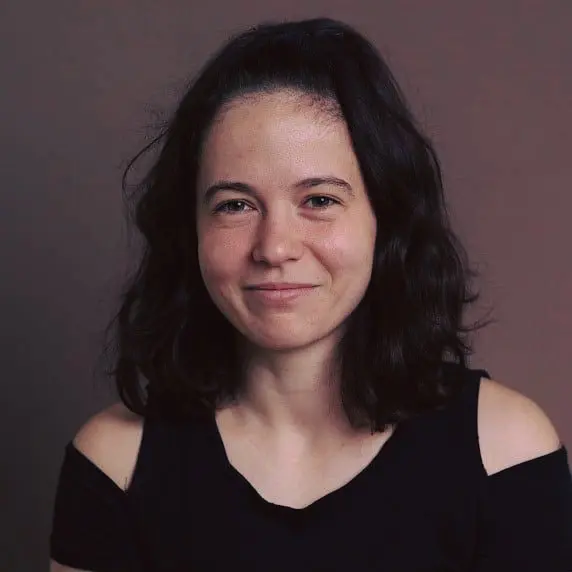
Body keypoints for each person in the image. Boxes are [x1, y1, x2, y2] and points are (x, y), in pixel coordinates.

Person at [49, 17, 572, 572]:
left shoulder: (505, 452)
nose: (274, 247)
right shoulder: (115, 464)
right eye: (235, 205)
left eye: (319, 200)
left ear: (385, 218)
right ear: (191, 231)